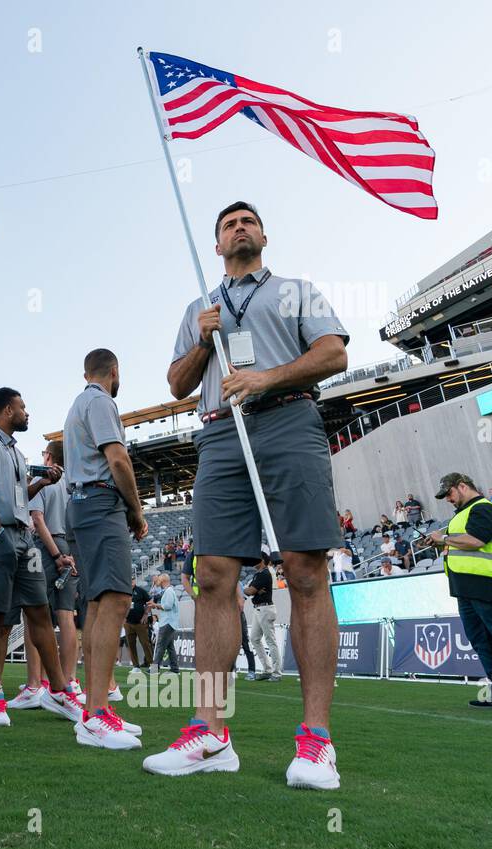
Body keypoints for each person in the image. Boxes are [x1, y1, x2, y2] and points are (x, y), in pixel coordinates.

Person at [150, 200, 348, 790]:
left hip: (287, 420)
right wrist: (204, 342)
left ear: (263, 235)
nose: (239, 227)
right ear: (215, 244)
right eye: (229, 224)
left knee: (305, 569)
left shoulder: (295, 290)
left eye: (248, 221)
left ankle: (316, 742)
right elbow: (178, 383)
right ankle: (211, 732)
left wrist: (267, 375)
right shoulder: (198, 307)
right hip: (219, 432)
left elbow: (334, 353)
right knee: (212, 575)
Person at [0, 386, 88, 729]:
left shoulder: (16, 453)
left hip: (22, 537)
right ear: (6, 410)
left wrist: (42, 484)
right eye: (22, 407)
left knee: (39, 611)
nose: (27, 412)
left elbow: (19, 498)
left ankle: (59, 690)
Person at [61, 349, 147, 748]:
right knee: (114, 599)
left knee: (99, 604)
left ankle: (95, 709)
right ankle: (96, 713)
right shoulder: (100, 401)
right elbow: (118, 460)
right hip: (99, 502)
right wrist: (137, 510)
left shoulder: (82, 402)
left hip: (82, 504)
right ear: (114, 372)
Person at [427, 473, 492, 713]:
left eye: (450, 493)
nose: (448, 499)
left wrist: (443, 538)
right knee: (482, 642)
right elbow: (463, 543)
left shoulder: (484, 508)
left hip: (490, 584)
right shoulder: (464, 514)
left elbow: (476, 541)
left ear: (463, 486)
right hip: (468, 587)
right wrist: (440, 542)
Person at [28, 440, 82, 699]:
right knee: (66, 615)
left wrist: (56, 554)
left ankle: (35, 683)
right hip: (72, 545)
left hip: (46, 546)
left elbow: (37, 519)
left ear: (48, 456)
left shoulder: (44, 478)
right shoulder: (74, 480)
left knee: (35, 613)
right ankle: (69, 680)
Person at [244, 552, 281, 680]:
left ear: (262, 560)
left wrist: (251, 590)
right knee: (254, 638)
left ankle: (276, 673)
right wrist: (251, 589)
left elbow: (249, 591)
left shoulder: (264, 573)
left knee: (271, 641)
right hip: (259, 609)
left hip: (265, 608)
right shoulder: (258, 574)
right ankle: (267, 669)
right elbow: (249, 590)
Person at [148, 574, 180, 673]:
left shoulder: (169, 592)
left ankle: (154, 669)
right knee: (170, 647)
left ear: (163, 581)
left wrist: (155, 605)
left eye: (160, 582)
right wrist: (156, 605)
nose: (159, 584)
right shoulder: (168, 591)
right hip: (169, 623)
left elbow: (167, 606)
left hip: (167, 623)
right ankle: (174, 668)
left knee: (160, 646)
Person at [123, 576, 153, 672]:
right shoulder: (124, 592)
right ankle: (136, 666)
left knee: (145, 644)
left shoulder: (140, 591)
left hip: (140, 622)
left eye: (132, 580)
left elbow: (150, 602)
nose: (131, 582)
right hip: (128, 623)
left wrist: (145, 614)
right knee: (131, 644)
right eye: (129, 580)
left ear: (134, 581)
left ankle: (152, 666)